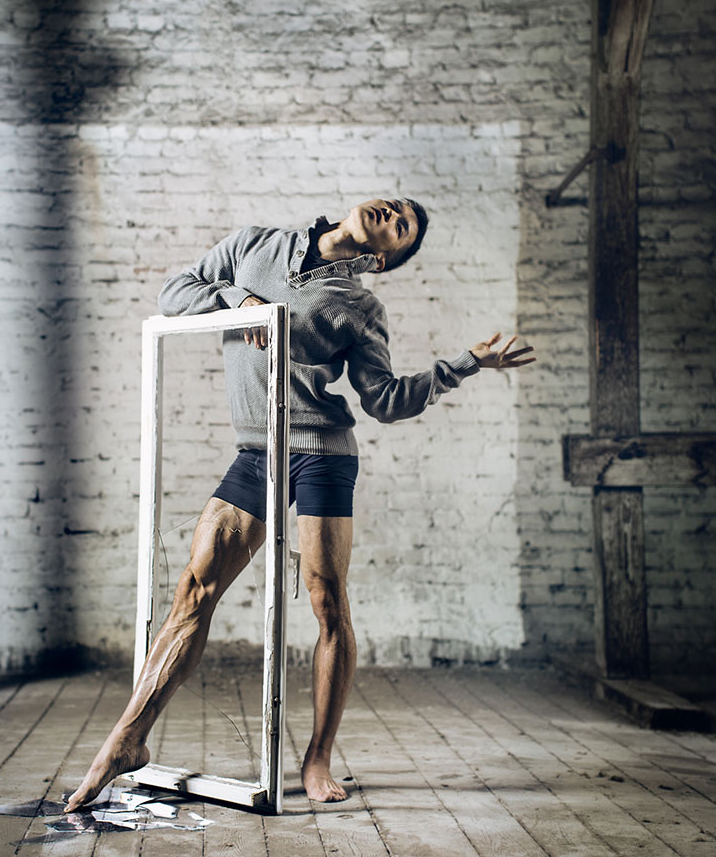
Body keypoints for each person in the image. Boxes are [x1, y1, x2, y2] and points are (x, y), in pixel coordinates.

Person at [65, 197, 535, 808]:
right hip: (256, 447)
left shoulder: (361, 305)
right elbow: (176, 290)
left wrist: (465, 366)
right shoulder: (255, 245)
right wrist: (241, 301)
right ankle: (129, 739)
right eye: (394, 206)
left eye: (403, 226)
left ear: (383, 259)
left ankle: (317, 758)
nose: (393, 212)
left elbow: (384, 399)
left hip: (321, 452)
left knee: (327, 604)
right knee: (193, 591)